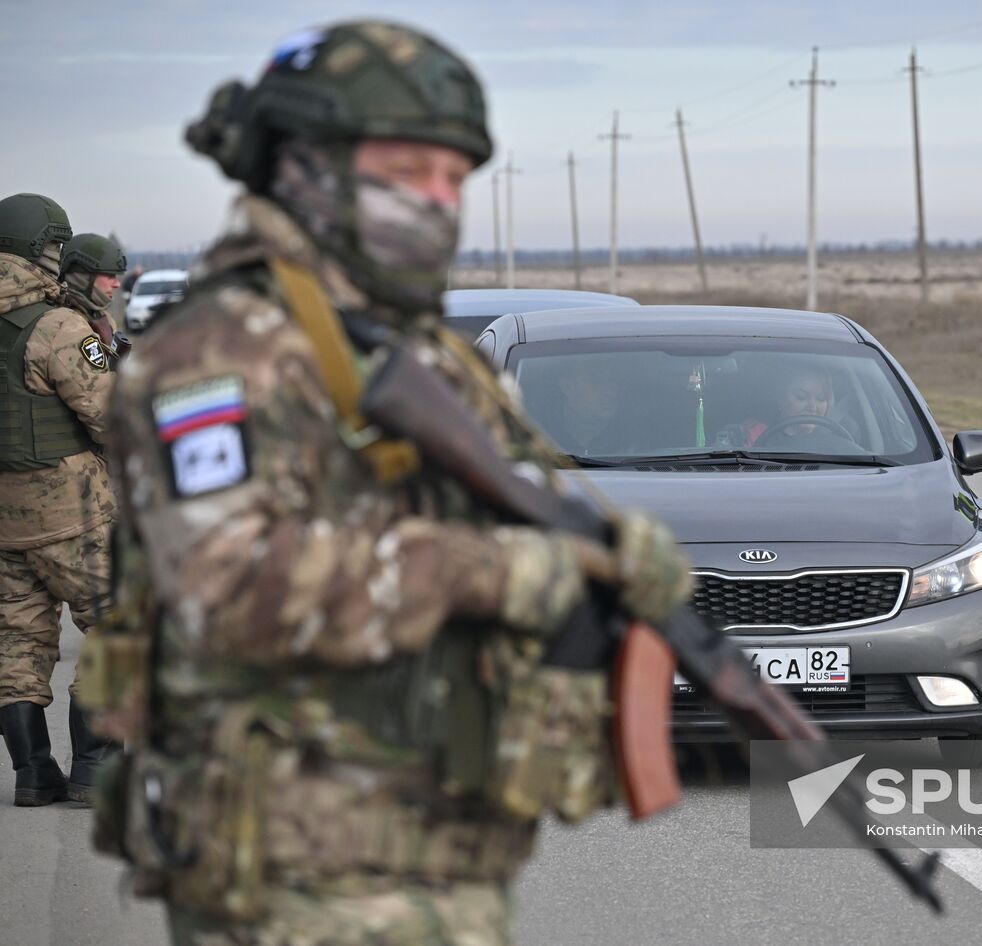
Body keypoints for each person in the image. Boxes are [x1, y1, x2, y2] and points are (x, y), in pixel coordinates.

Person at [84, 21, 691, 945]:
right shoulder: (220, 352)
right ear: (303, 167)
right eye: (408, 171)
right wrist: (507, 571)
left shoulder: (401, 347)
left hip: (431, 852)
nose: (439, 200)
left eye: (454, 178)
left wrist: (602, 561)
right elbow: (225, 586)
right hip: (294, 877)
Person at [0, 193, 118, 806]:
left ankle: (33, 774)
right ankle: (94, 767)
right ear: (37, 248)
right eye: (54, 244)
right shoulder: (58, 327)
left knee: (18, 642)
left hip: (4, 525)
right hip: (72, 514)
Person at [60, 232, 132, 361]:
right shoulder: (61, 325)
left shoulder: (103, 318)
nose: (117, 284)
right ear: (83, 277)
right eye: (110, 276)